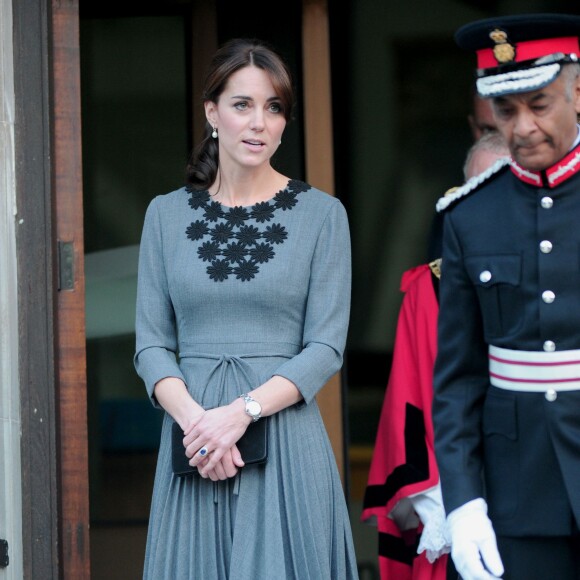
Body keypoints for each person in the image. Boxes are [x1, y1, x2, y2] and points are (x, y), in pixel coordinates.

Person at [133, 37, 358, 579]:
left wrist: (241, 413)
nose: (259, 122)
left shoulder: (323, 215)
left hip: (284, 441)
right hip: (195, 446)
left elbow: (326, 347)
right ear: (212, 113)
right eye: (242, 105)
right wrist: (200, 428)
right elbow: (151, 345)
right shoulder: (164, 216)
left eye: (274, 107)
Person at [433, 13, 580, 580]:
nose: (520, 128)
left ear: (576, 92)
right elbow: (457, 379)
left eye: (538, 105)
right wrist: (464, 504)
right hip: (515, 494)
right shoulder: (470, 215)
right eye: (505, 110)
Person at [361, 132, 509, 580]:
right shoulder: (427, 290)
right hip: (460, 499)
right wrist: (444, 507)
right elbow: (406, 411)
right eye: (470, 194)